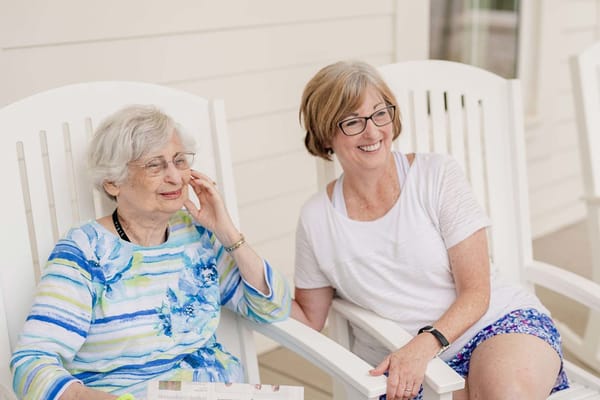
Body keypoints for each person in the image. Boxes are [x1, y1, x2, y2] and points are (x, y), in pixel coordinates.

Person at [291, 60, 568, 400]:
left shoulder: (437, 175)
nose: (373, 131)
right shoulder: (316, 218)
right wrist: (231, 245)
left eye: (380, 113)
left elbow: (477, 291)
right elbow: (307, 317)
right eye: (352, 122)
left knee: (504, 393)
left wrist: (424, 345)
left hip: (493, 328)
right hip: (405, 365)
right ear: (325, 135)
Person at [10, 105, 291, 400]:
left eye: (179, 161)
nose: (175, 177)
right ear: (113, 182)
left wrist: (228, 233)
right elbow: (31, 364)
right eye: (155, 166)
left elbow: (271, 307)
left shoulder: (195, 235)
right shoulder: (86, 252)